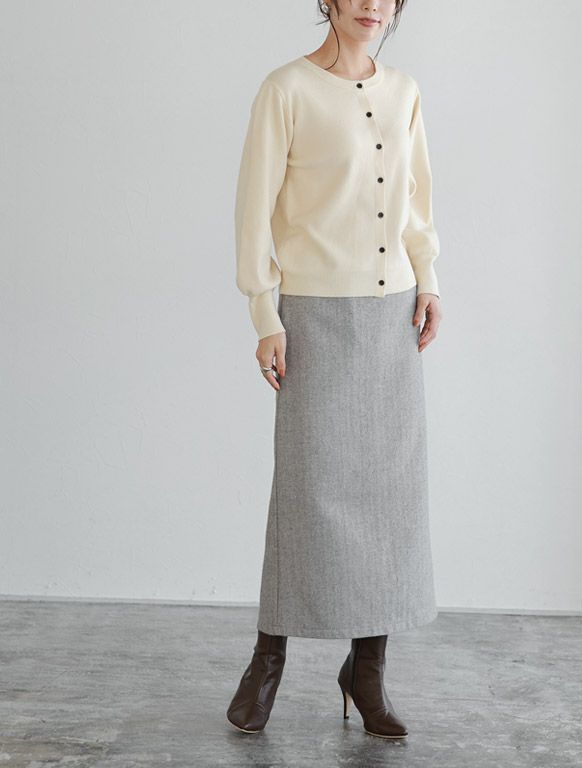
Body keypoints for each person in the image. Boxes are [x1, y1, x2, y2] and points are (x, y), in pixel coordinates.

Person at [227, 0, 442, 740]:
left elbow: (415, 202)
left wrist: (430, 280)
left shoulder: (404, 91)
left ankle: (367, 671)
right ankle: (268, 660)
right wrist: (265, 314)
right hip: (313, 315)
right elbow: (253, 211)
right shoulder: (286, 89)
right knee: (306, 491)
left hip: (393, 316)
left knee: (388, 496)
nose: (371, 5)